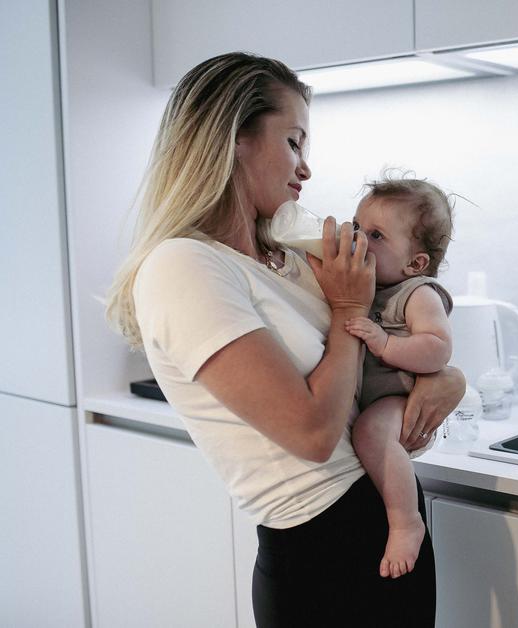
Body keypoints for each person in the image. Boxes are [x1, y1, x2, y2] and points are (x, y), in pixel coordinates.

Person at [104, 52, 465, 627]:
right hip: (322, 554)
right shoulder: (183, 266)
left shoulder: (288, 257)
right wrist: (349, 309)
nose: (306, 169)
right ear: (234, 140)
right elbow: (313, 433)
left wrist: (448, 378)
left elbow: (382, 344)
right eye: (294, 142)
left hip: (389, 521)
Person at [344, 173, 455, 579]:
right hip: (370, 397)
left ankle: (406, 522)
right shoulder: (364, 285)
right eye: (356, 226)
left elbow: (438, 347)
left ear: (415, 263)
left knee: (372, 433)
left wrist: (386, 344)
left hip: (398, 394)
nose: (358, 239)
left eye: (376, 235)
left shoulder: (417, 293)